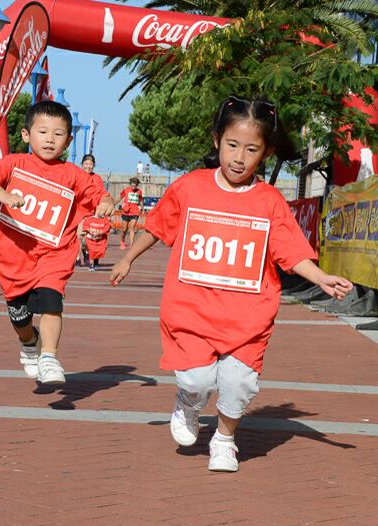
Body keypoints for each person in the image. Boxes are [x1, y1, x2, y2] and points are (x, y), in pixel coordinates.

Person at [110, 96, 353, 472]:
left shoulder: (271, 201)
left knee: (238, 384)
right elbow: (158, 226)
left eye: (251, 149)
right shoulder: (190, 187)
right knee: (196, 380)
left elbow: (290, 249)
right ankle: (188, 405)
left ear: (266, 153)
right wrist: (128, 257)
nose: (239, 157)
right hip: (191, 312)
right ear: (216, 140)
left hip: (248, 318)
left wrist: (321, 277)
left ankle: (224, 440)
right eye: (232, 145)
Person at [0, 100, 114, 386]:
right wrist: (4, 196)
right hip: (12, 257)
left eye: (58, 134)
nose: (50, 139)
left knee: (52, 303)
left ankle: (49, 356)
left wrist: (106, 202)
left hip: (54, 255)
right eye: (43, 132)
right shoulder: (13, 164)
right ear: (26, 135)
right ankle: (29, 344)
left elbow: (98, 193)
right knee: (20, 319)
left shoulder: (74, 174)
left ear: (69, 140)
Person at [118, 176, 143, 249]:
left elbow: (141, 200)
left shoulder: (139, 192)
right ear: (130, 184)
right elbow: (120, 198)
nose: (133, 187)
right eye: (132, 185)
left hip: (135, 212)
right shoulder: (126, 190)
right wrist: (113, 204)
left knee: (132, 228)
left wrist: (143, 208)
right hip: (126, 212)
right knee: (124, 229)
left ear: (137, 185)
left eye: (135, 185)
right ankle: (122, 241)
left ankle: (131, 244)